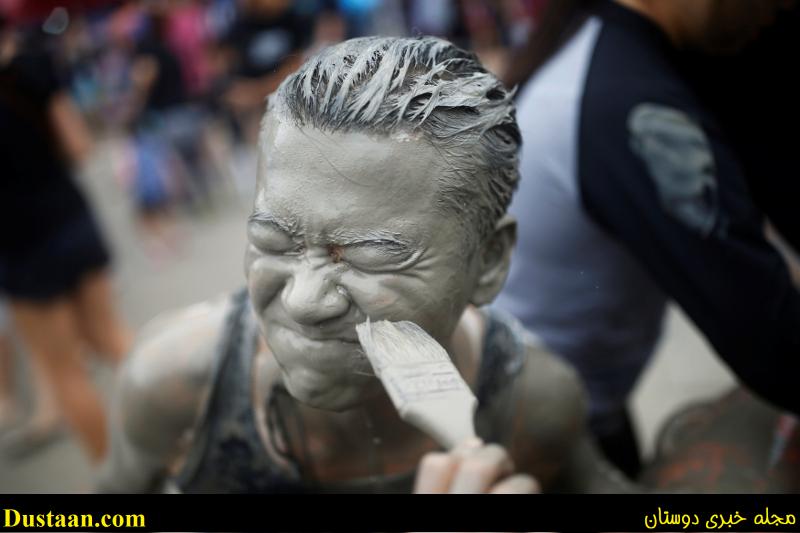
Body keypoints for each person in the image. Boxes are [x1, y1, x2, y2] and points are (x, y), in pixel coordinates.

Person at [97, 35, 635, 494]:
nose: (304, 302)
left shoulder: (530, 405)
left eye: (371, 256)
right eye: (273, 242)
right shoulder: (176, 389)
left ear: (489, 261)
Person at [494, 0, 800, 477]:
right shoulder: (627, 99)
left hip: (578, 414)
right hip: (541, 448)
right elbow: (776, 346)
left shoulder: (615, 49)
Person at [0, 19, 131, 462]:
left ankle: (121, 492)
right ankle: (188, 441)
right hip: (67, 215)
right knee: (111, 337)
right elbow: (78, 146)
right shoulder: (31, 68)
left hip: (16, 244)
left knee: (65, 373)